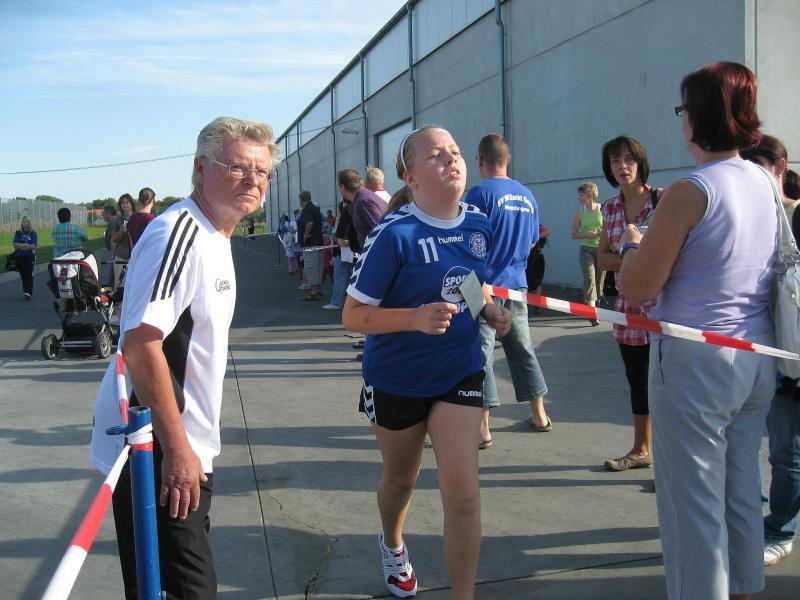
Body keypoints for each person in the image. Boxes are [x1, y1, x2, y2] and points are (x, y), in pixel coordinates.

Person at [90, 116, 278, 600]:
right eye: (237, 167)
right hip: (157, 444)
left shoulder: (216, 235)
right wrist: (177, 450)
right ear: (200, 169)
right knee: (187, 588)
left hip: (186, 443)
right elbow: (140, 343)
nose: (253, 180)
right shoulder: (179, 234)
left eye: (262, 171)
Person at [619, 61, 777, 600]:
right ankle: (744, 588)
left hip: (694, 360)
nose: (680, 118)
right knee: (740, 491)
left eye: (683, 108)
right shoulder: (762, 179)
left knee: (693, 508)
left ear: (698, 115)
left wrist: (633, 245)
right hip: (755, 353)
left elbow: (638, 287)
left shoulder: (691, 191)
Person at [343, 125, 511, 600]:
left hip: (459, 370)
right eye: (436, 155)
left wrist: (488, 309)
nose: (451, 159)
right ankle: (393, 543)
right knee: (401, 480)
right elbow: (352, 315)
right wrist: (414, 318)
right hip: (396, 378)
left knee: (464, 494)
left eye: (455, 151)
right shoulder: (394, 234)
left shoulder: (478, 223)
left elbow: (472, 282)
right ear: (410, 178)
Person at [465, 133, 551, 449]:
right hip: (516, 284)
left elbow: (468, 242)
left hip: (482, 285)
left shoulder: (478, 194)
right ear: (508, 159)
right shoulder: (527, 195)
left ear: (479, 160)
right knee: (523, 349)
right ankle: (539, 414)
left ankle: (483, 427)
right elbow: (533, 241)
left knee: (481, 354)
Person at [742, 135, 800, 567]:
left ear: (778, 168)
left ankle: (781, 528)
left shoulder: (794, 218)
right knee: (758, 444)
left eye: (757, 167)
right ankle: (754, 514)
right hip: (762, 352)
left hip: (792, 357)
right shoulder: (752, 218)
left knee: (787, 451)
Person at [596, 135, 662, 472]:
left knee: (668, 384)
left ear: (640, 162)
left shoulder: (663, 200)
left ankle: (669, 457)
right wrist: (634, 255)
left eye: (628, 159)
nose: (622, 166)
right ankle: (641, 449)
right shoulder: (609, 207)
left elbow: (673, 254)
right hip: (627, 307)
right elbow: (602, 258)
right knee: (637, 380)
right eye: (614, 161)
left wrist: (628, 255)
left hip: (664, 306)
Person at [571, 182, 605, 324]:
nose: (579, 197)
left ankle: (595, 307)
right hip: (586, 250)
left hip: (602, 249)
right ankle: (592, 313)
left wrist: (600, 233)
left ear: (590, 195)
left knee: (599, 281)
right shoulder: (580, 213)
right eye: (579, 195)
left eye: (582, 195)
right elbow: (574, 234)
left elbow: (609, 229)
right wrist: (586, 234)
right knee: (590, 278)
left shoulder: (603, 210)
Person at [323, 200, 354, 310]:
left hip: (342, 251)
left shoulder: (342, 219)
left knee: (339, 277)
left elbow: (338, 237)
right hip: (354, 251)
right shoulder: (356, 216)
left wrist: (333, 235)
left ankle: (336, 302)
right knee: (351, 277)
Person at [297, 191, 324, 301]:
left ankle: (314, 293)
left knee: (311, 267)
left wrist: (305, 235)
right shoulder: (315, 209)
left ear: (301, 199)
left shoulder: (306, 210)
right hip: (318, 243)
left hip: (310, 244)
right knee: (318, 267)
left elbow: (309, 223)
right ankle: (318, 291)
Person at [110, 193, 136, 289]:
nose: (125, 205)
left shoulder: (138, 217)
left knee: (135, 284)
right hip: (121, 256)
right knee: (120, 284)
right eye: (122, 203)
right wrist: (121, 231)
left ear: (132, 204)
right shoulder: (117, 220)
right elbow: (114, 239)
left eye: (127, 202)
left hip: (137, 256)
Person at [525, 224, 550, 314]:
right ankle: (524, 304)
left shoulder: (534, 224)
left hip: (535, 257)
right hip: (527, 257)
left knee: (536, 282)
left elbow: (547, 232)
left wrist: (534, 238)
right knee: (526, 282)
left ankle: (537, 305)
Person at [12, 216, 37, 299]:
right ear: (21, 223)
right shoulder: (18, 233)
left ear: (29, 223)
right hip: (19, 256)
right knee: (23, 274)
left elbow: (33, 246)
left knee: (29, 274)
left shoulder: (33, 233)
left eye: (26, 221)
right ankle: (25, 291)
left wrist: (21, 246)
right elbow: (15, 244)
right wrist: (26, 245)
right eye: (23, 221)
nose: (25, 223)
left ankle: (29, 292)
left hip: (30, 256)